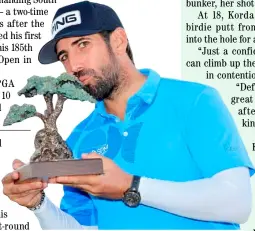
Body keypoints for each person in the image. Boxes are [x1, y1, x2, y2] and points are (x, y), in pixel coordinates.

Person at [2, 1, 255, 230]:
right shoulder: (78, 137)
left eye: (83, 45)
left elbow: (237, 203)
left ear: (119, 41)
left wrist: (131, 186)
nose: (73, 66)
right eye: (64, 56)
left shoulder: (195, 101)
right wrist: (39, 205)